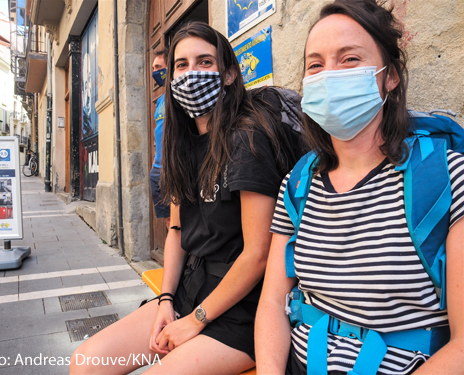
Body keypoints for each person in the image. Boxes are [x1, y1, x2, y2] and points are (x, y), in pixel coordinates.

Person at [70, 21, 295, 375]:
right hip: (193, 290)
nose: (192, 74)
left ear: (229, 75)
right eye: (182, 65)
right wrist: (166, 301)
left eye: (205, 62)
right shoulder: (181, 142)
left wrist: (195, 320)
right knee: (85, 363)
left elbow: (258, 254)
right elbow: (175, 231)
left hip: (242, 310)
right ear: (171, 78)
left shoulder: (247, 139)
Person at [255, 1, 464, 374]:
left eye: (349, 59)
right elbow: (272, 301)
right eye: (316, 65)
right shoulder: (299, 183)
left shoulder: (447, 177)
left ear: (391, 75)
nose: (330, 75)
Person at [150, 48, 171, 228]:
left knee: (179, 222)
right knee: (167, 219)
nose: (154, 72)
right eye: (153, 68)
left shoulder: (179, 96)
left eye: (158, 67)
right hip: (157, 170)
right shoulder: (161, 100)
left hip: (172, 169)